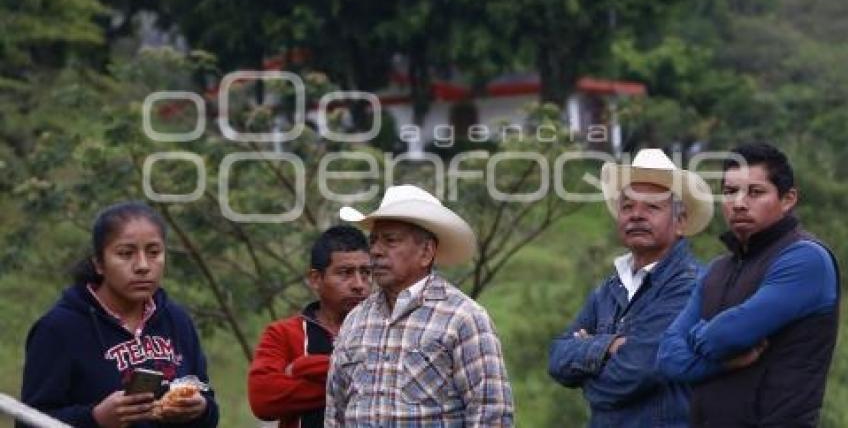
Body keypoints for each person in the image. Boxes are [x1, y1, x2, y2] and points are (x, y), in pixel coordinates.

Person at [657, 142, 839, 427]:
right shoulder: (717, 269)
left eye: (755, 192)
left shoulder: (806, 259)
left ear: (788, 199)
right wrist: (721, 361)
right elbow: (667, 357)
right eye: (730, 192)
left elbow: (726, 337)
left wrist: (700, 334)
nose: (739, 203)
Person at [548, 148, 713, 427]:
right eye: (627, 206)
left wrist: (589, 356)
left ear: (680, 222)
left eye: (652, 207)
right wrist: (609, 345)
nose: (636, 215)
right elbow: (556, 358)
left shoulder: (689, 285)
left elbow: (635, 373)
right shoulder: (610, 289)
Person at [325, 185, 514, 426]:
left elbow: (492, 415)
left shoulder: (463, 318)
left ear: (426, 252)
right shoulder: (356, 320)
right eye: (373, 241)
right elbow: (335, 413)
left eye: (390, 241)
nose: (376, 251)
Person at [19, 201, 219, 428]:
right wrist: (94, 419)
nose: (143, 266)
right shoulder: (58, 329)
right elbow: (29, 422)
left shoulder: (176, 320)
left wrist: (201, 410)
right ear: (99, 264)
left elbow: (206, 400)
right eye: (125, 254)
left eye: (154, 252)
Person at [247, 225, 371, 428]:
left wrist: (301, 367)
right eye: (345, 273)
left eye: (365, 273)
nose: (359, 284)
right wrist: (360, 380)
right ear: (315, 279)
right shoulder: (283, 333)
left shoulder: (385, 331)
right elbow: (263, 399)